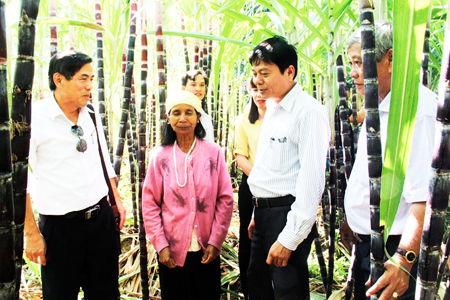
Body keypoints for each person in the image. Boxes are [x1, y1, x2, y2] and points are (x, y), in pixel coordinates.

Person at [341, 21, 438, 300]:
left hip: (394, 253)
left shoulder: (417, 112)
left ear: (391, 59)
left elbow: (424, 199)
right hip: (369, 244)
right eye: (351, 63)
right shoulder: (377, 106)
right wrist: (352, 219)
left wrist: (403, 261)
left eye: (359, 62)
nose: (353, 73)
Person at [24, 50, 126, 299]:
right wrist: (31, 233)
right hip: (61, 229)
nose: (90, 86)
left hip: (100, 220)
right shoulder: (33, 119)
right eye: (83, 79)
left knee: (105, 293)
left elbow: (102, 159)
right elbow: (20, 184)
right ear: (59, 80)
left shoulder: (90, 113)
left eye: (92, 78)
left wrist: (116, 199)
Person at [246, 36, 330, 300]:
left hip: (286, 216)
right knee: (257, 287)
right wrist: (256, 212)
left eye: (265, 73)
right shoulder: (273, 108)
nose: (257, 80)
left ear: (289, 71)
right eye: (255, 73)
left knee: (287, 292)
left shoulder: (308, 112)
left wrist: (289, 238)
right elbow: (269, 167)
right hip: (264, 216)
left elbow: (311, 181)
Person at [142, 91, 234, 300]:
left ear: (198, 117)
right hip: (172, 253)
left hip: (206, 250)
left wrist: (216, 241)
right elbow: (150, 204)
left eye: (188, 113)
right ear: (168, 118)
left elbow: (225, 200)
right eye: (176, 113)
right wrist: (161, 245)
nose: (182, 118)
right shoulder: (160, 156)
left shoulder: (214, 153)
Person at [234, 78, 266, 299]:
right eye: (254, 89)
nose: (259, 94)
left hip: (280, 189)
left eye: (262, 89)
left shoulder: (282, 119)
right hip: (251, 185)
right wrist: (262, 180)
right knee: (248, 238)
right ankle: (248, 290)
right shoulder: (244, 121)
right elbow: (240, 157)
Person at [181, 70, 215, 142]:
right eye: (193, 85)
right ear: (183, 89)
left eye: (202, 85)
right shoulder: (178, 116)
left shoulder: (206, 118)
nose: (198, 89)